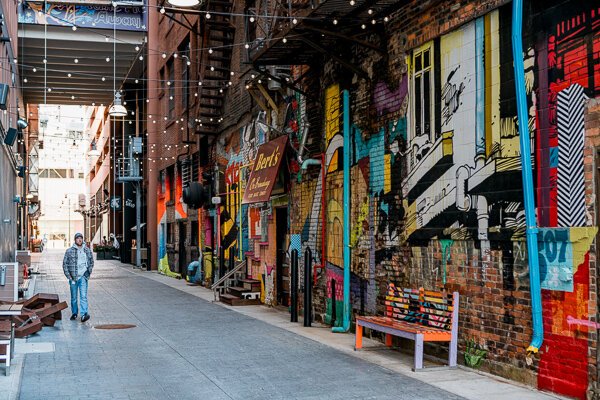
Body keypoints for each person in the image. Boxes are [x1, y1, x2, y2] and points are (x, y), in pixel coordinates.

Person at [62, 232, 94, 322]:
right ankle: (74, 313)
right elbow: (65, 264)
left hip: (83, 277)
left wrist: (88, 272)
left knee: (83, 296)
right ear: (75, 240)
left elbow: (91, 262)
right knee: (74, 298)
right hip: (73, 278)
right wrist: (69, 277)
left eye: (81, 238)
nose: (79, 239)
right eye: (77, 238)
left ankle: (84, 314)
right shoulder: (69, 251)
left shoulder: (87, 250)